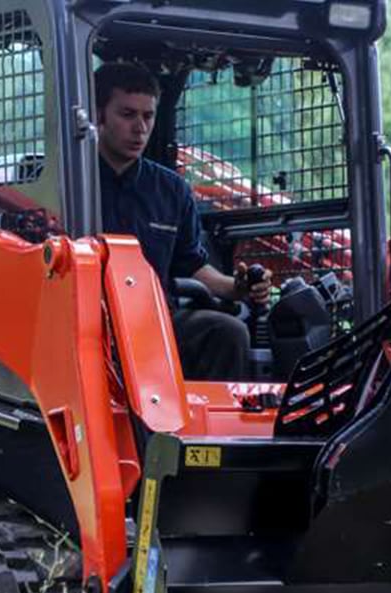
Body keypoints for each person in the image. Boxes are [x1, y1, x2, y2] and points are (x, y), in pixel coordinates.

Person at [94, 62, 271, 380]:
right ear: (98, 116)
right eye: (127, 114)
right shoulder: (71, 181)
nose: (140, 128)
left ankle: (205, 429)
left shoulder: (171, 190)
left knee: (227, 332)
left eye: (148, 116)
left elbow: (192, 266)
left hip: (154, 322)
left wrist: (236, 287)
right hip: (88, 322)